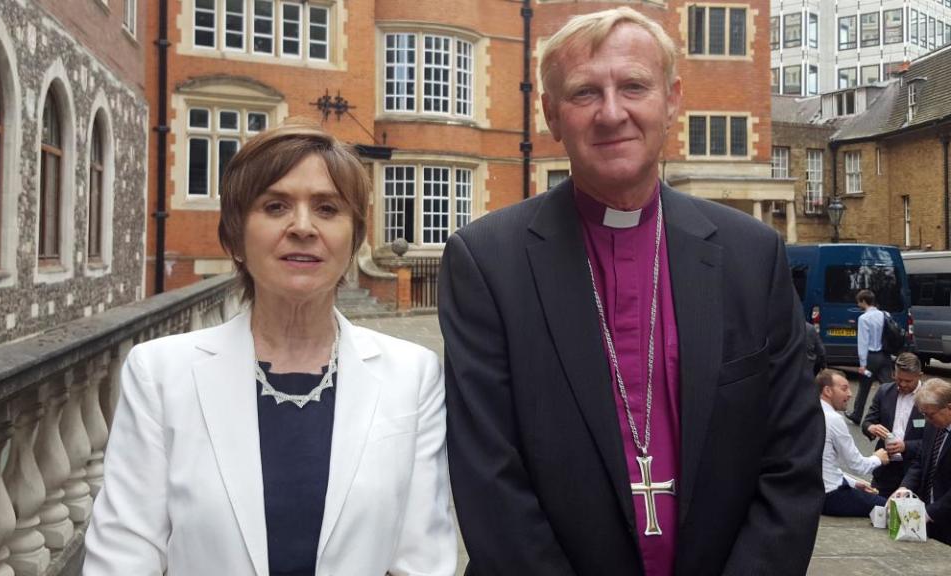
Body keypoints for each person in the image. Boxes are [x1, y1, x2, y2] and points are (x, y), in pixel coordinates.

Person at [438, 7, 824, 576]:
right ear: (550, 113)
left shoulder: (752, 254)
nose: (611, 112)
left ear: (671, 101)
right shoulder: (486, 262)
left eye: (634, 87)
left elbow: (791, 459)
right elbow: (489, 480)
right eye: (584, 92)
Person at [84, 121, 456, 575]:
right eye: (275, 206)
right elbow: (125, 554)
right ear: (235, 239)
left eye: (327, 208)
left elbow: (422, 561)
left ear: (353, 238)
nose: (303, 227)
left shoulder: (413, 376)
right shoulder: (161, 373)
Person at [817, 369, 889, 516]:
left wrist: (854, 483)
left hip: (813, 492)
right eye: (844, 389)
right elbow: (858, 466)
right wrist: (878, 458)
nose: (850, 394)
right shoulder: (834, 419)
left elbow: (824, 464)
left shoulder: (810, 411)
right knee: (889, 506)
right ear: (827, 391)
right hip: (830, 496)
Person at [894, 378, 951, 545]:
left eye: (930, 415)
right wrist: (905, 487)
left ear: (949, 407)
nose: (926, 420)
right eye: (923, 414)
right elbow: (920, 461)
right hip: (929, 519)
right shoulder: (933, 426)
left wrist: (928, 513)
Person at [861, 352, 926, 496]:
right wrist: (871, 428)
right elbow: (867, 421)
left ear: (919, 375)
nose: (902, 384)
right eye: (898, 379)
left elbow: (933, 441)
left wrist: (905, 446)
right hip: (885, 468)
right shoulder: (884, 391)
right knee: (879, 512)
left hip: (914, 469)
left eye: (908, 381)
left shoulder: (928, 397)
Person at [849, 289, 891, 424]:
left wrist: (862, 364)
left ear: (863, 301)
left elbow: (863, 342)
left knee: (864, 388)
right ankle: (890, 415)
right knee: (889, 387)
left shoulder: (863, 318)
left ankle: (857, 415)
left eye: (859, 302)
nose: (858, 305)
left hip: (871, 358)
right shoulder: (885, 314)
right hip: (885, 356)